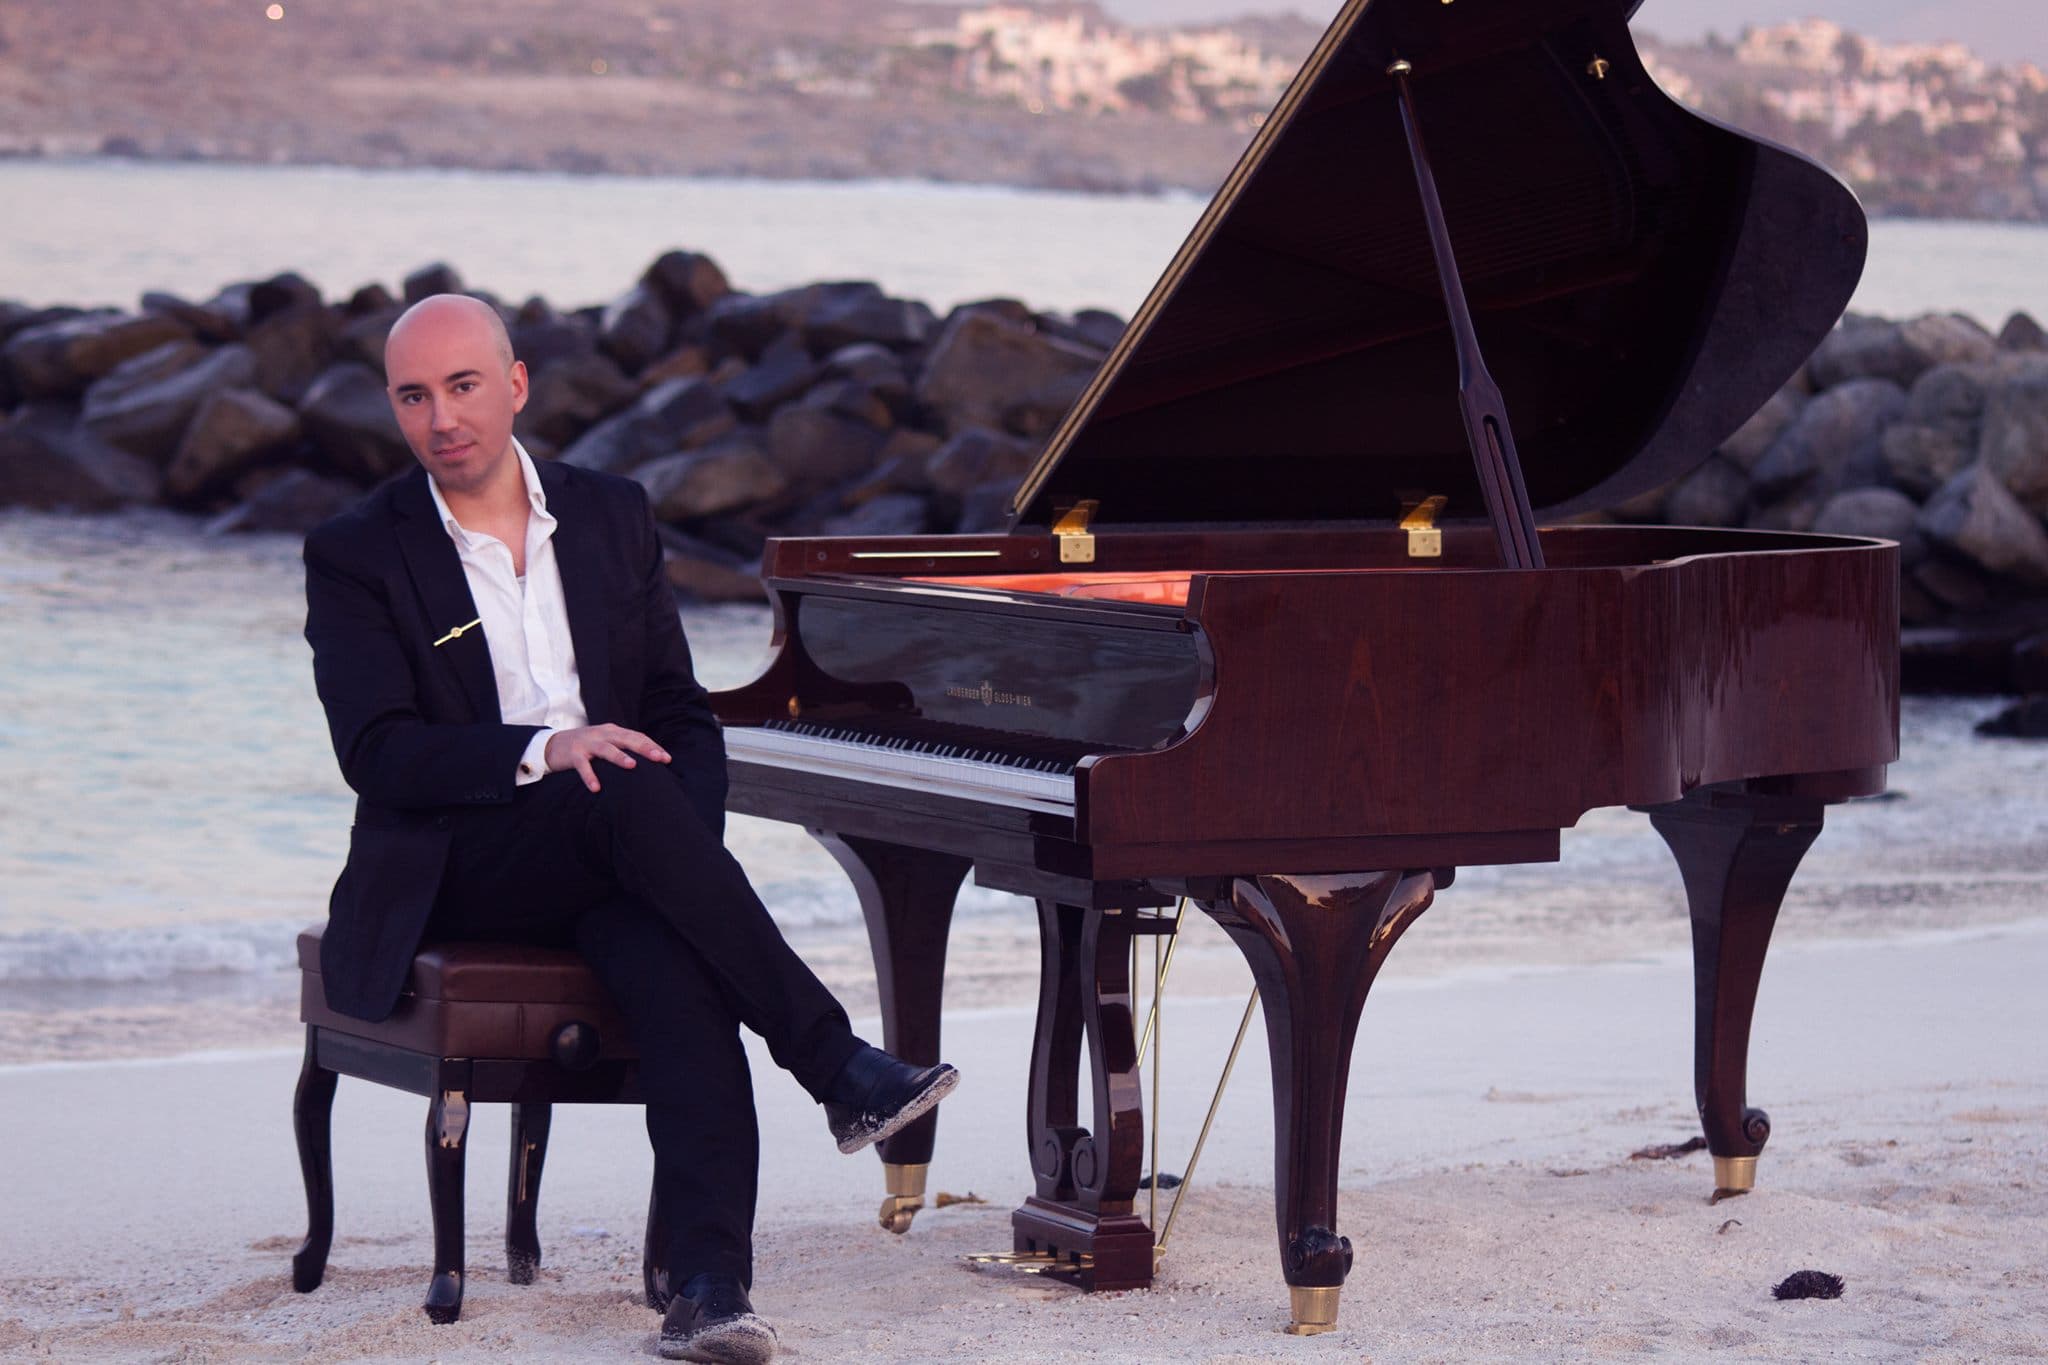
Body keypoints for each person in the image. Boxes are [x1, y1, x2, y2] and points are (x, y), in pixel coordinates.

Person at [302, 293, 955, 1364]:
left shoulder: (610, 514)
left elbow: (680, 715)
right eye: (414, 397)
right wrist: (544, 748)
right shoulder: (358, 549)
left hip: (614, 846)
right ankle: (833, 1062)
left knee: (672, 951)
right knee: (615, 783)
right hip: (460, 860)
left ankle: (709, 1290)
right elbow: (377, 752)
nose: (442, 418)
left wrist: (668, 853)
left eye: (463, 386)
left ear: (516, 385)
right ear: (393, 406)